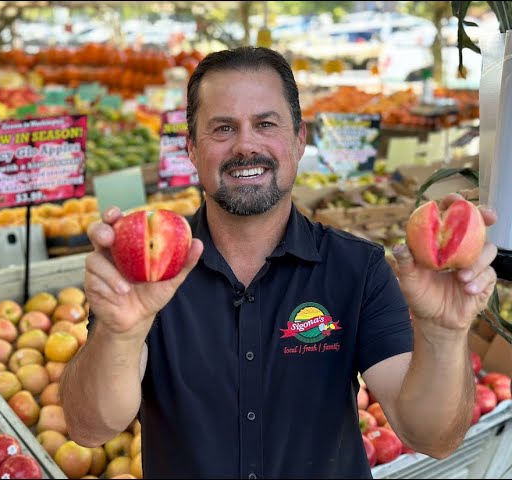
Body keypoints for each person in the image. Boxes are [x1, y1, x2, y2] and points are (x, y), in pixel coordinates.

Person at [60, 47, 498, 479]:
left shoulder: (358, 268)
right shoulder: (143, 277)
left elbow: (433, 437)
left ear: (299, 139)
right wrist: (121, 333)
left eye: (265, 124)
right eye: (223, 128)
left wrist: (443, 334)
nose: (246, 145)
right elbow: (88, 428)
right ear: (191, 148)